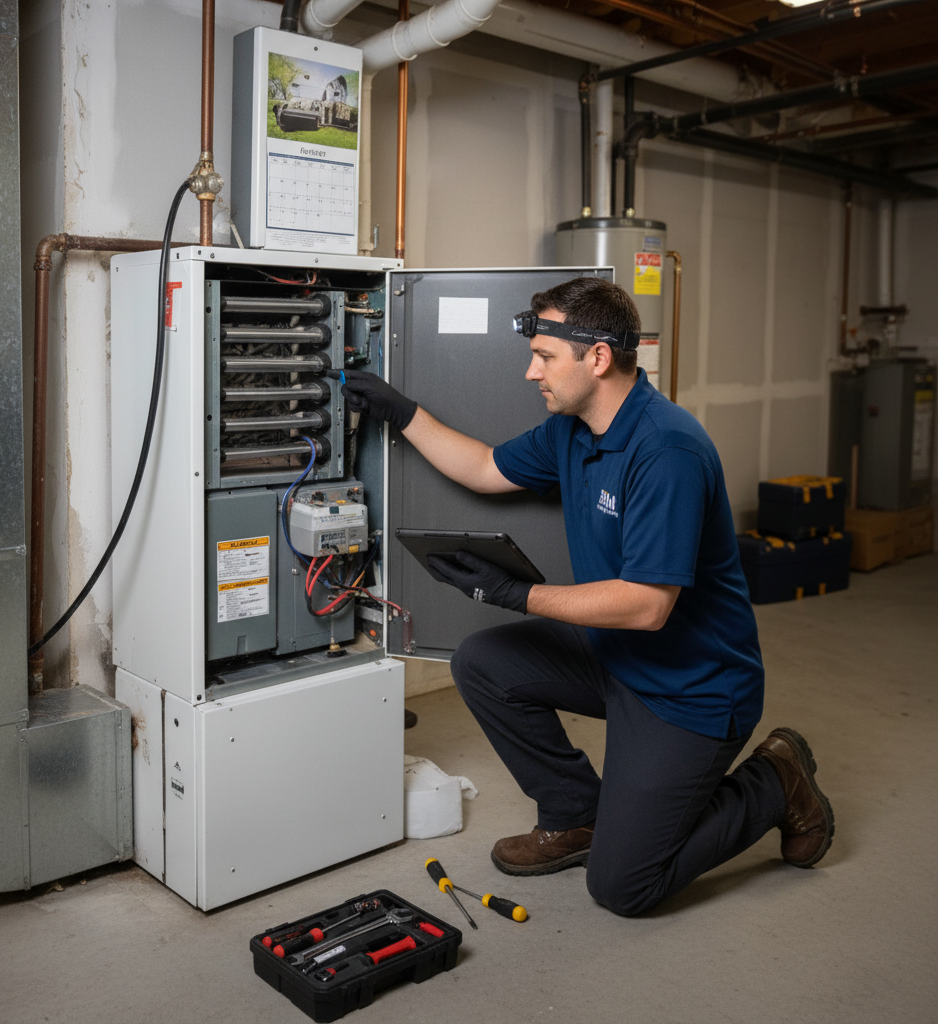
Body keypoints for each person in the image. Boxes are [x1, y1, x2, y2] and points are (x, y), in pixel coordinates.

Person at [328, 276, 834, 917]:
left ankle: (774, 780)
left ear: (597, 357)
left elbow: (648, 606)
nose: (531, 371)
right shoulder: (574, 429)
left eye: (544, 356)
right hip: (614, 656)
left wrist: (521, 593)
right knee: (483, 663)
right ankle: (575, 815)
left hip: (690, 688)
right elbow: (485, 468)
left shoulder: (666, 449)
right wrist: (403, 413)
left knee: (624, 887)